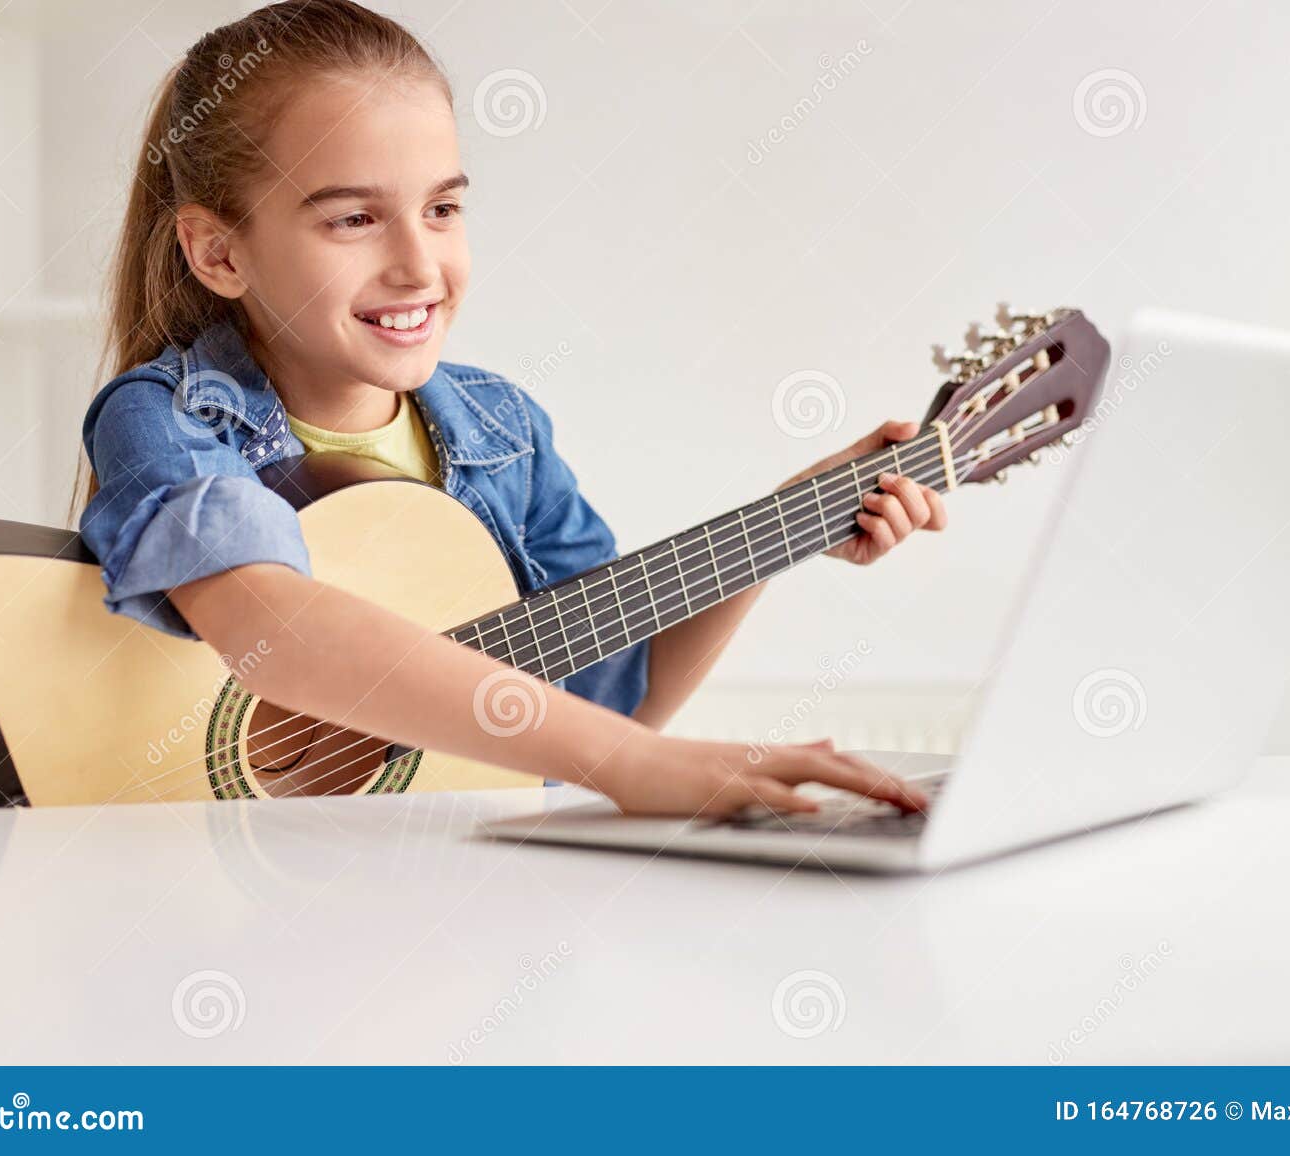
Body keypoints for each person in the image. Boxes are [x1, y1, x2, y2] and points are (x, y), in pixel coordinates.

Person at [78, 0, 945, 817]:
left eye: (443, 208)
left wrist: (783, 525)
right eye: (352, 220)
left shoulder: (503, 431)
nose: (419, 264)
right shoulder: (164, 418)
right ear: (219, 251)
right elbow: (272, 627)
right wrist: (631, 766)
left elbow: (611, 702)